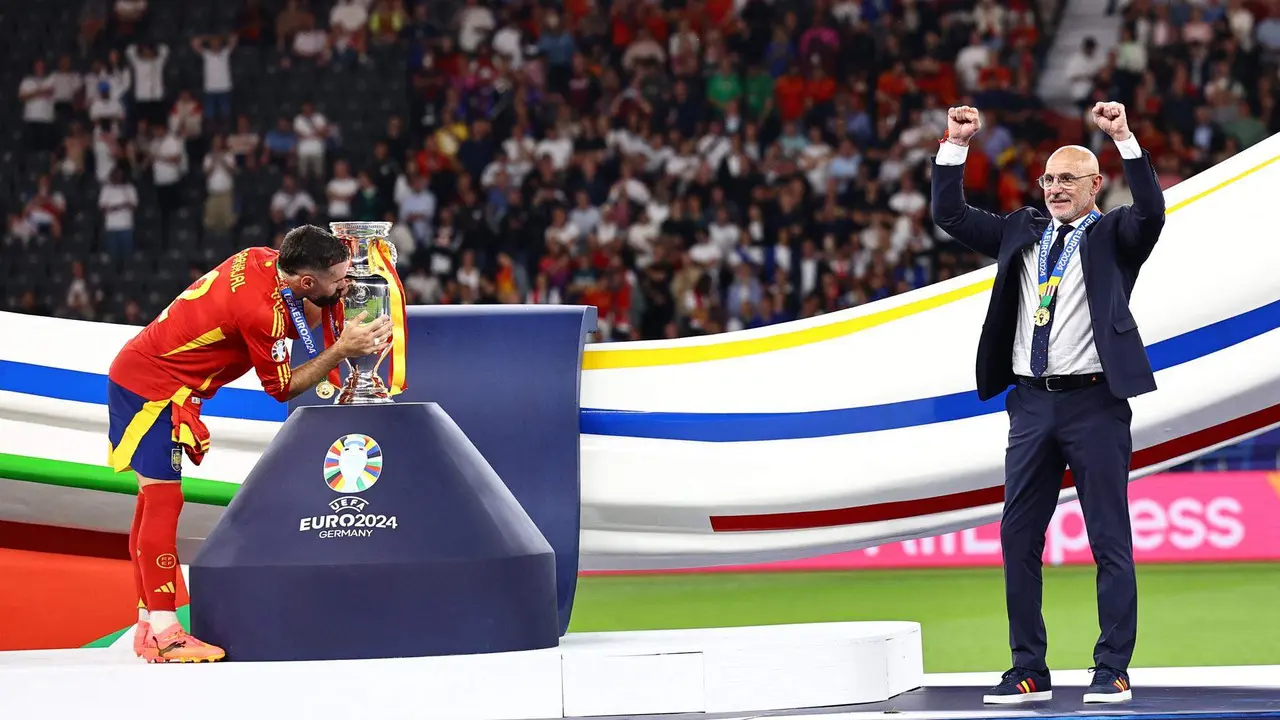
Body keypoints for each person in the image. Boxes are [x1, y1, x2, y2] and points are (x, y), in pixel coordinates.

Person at [930, 102, 1166, 705]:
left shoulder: (1116, 234)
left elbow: (1151, 211)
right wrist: (956, 146)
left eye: (1069, 179)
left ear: (1095, 186)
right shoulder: (1020, 229)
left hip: (1096, 404)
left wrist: (1122, 138)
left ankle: (1112, 666)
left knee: (1109, 538)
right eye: (1049, 179)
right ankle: (1028, 668)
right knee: (1017, 538)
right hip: (1031, 405)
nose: (1056, 188)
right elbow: (949, 213)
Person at [105, 224, 392, 662]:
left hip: (145, 373)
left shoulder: (261, 258)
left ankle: (149, 623)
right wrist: (339, 351)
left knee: (150, 501)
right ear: (307, 281)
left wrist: (336, 286)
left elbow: (302, 307)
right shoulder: (262, 313)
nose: (345, 285)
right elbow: (282, 388)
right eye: (338, 280)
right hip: (155, 390)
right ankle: (165, 632)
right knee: (163, 501)